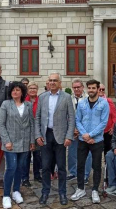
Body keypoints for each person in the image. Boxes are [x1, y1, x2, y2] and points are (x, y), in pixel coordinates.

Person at [35, 73, 75, 205]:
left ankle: (62, 193)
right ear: (47, 82)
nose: (52, 83)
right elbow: (38, 118)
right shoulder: (42, 97)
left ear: (59, 83)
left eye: (55, 81)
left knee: (62, 167)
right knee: (45, 166)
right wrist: (38, 135)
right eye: (50, 80)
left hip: (61, 137)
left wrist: (69, 136)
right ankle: (45, 192)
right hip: (46, 136)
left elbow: (71, 118)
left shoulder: (67, 97)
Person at [71, 79, 109, 204]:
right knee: (80, 164)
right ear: (87, 89)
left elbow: (103, 123)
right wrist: (85, 135)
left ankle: (95, 190)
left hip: (97, 141)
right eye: (89, 88)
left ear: (98, 89)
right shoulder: (82, 103)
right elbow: (78, 120)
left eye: (94, 88)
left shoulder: (104, 104)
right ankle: (80, 188)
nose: (91, 90)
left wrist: (91, 135)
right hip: (83, 139)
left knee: (97, 166)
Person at [0, 82, 35, 209]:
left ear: (22, 92)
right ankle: (6, 195)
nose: (15, 92)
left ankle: (16, 191)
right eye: (13, 90)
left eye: (18, 90)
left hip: (24, 142)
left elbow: (31, 124)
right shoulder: (6, 104)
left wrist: (32, 141)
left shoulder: (28, 105)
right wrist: (6, 141)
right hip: (11, 143)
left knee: (20, 167)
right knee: (11, 167)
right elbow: (1, 124)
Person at [67, 78, 92, 183]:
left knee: (87, 153)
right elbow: (66, 115)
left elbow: (90, 116)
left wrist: (81, 130)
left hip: (85, 130)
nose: (76, 89)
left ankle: (85, 175)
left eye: (78, 87)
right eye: (74, 87)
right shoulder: (68, 98)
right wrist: (73, 129)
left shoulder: (89, 99)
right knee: (72, 152)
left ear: (82, 87)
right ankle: (73, 172)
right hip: (72, 130)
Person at [21, 81, 42, 186]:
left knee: (38, 155)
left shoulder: (41, 101)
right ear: (27, 90)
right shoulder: (24, 102)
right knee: (26, 156)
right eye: (31, 88)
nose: (33, 90)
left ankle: (37, 175)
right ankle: (25, 178)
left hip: (38, 131)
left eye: (34, 88)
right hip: (26, 132)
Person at [98, 83, 116, 156]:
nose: (101, 91)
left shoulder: (109, 101)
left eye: (103, 89)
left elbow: (114, 116)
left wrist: (113, 127)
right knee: (97, 151)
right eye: (99, 89)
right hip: (97, 131)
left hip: (107, 130)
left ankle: (107, 166)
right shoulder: (93, 101)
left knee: (108, 150)